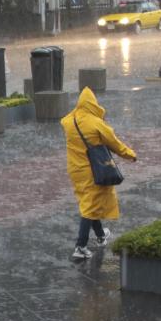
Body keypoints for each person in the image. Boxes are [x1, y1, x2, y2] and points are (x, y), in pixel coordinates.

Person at [61, 87, 137, 260]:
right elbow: (114, 144)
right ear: (92, 104)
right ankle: (80, 246)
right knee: (89, 205)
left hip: (75, 169)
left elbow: (68, 122)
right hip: (93, 170)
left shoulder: (68, 121)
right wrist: (131, 155)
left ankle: (101, 235)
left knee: (88, 201)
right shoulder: (96, 124)